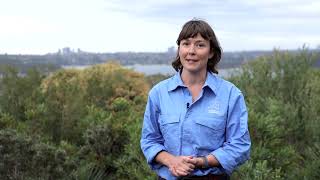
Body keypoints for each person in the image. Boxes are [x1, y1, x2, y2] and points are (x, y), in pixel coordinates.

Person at [140, 19, 251, 180]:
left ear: (211, 51)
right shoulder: (159, 93)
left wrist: (202, 162)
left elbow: (240, 145)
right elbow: (149, 140)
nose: (191, 51)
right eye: (186, 44)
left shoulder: (230, 95)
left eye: (200, 45)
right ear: (179, 49)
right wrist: (172, 161)